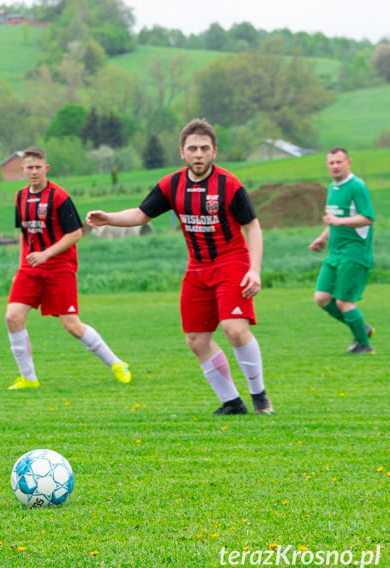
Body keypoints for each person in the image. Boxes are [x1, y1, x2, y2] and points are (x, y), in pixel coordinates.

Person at [86, 118, 274, 416]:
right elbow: (140, 214)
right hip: (197, 269)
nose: (198, 154)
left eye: (204, 148)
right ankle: (232, 402)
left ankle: (260, 398)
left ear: (214, 151)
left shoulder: (230, 185)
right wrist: (108, 218)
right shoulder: (171, 185)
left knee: (234, 330)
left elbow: (253, 226)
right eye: (192, 149)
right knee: (196, 340)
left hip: (231, 264)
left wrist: (255, 269)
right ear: (182, 152)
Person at [5, 146, 131, 390]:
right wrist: (21, 266)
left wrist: (46, 254)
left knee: (72, 325)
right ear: (22, 170)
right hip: (30, 269)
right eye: (29, 168)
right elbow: (24, 234)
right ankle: (28, 378)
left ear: (46, 168)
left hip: (59, 267)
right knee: (12, 317)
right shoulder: (20, 197)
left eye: (37, 167)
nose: (33, 172)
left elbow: (75, 233)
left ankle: (117, 363)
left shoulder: (59, 196)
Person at [309, 147, 375, 354]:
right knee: (321, 298)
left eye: (339, 162)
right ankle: (361, 329)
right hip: (335, 253)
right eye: (331, 163)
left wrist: (338, 221)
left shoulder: (357, 187)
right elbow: (333, 220)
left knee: (344, 301)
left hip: (354, 252)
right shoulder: (332, 188)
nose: (335, 166)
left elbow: (367, 218)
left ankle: (364, 345)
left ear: (349, 163)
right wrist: (322, 238)